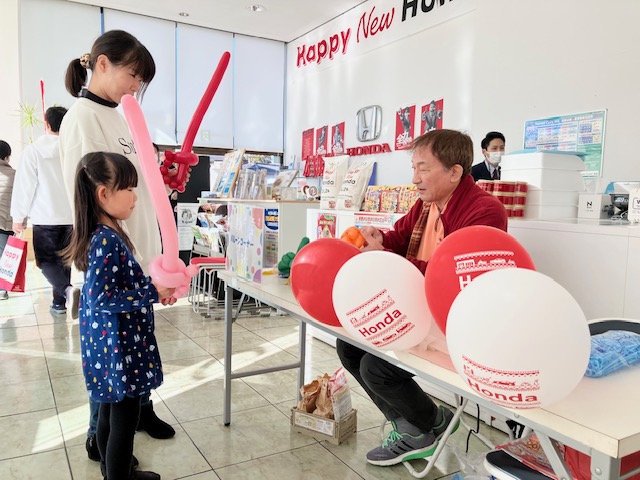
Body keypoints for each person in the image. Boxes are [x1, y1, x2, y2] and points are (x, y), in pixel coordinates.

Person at [339, 129, 508, 467]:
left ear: (455, 172)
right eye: (413, 168)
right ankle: (421, 424)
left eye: (423, 168)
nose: (414, 178)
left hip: (458, 321)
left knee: (377, 367)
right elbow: (398, 240)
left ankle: (423, 427)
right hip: (420, 310)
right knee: (349, 346)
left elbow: (455, 279)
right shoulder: (426, 205)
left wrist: (387, 255)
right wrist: (379, 238)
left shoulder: (486, 212)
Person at [58, 29, 176, 462]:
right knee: (112, 355)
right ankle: (99, 436)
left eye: (141, 80)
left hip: (137, 250)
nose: (136, 86)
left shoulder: (121, 115)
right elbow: (89, 191)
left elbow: (132, 177)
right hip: (110, 255)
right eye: (132, 74)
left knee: (135, 344)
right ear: (102, 64)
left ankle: (140, 411)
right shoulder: (82, 119)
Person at [61, 151, 173, 480]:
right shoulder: (106, 240)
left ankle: (112, 470)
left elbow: (111, 289)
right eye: (129, 188)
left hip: (110, 344)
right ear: (104, 194)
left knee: (111, 412)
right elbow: (103, 297)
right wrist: (152, 292)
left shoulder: (104, 232)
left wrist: (152, 289)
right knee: (125, 419)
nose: (135, 197)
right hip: (119, 348)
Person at [10, 106, 80, 316]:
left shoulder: (34, 151)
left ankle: (67, 292)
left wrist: (18, 217)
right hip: (71, 217)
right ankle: (59, 303)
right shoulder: (74, 150)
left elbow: (25, 186)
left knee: (46, 261)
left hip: (45, 217)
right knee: (64, 260)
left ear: (46, 124)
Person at [0, 140, 15, 300]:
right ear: (7, 158)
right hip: (5, 223)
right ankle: (2, 289)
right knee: (5, 257)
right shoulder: (15, 175)